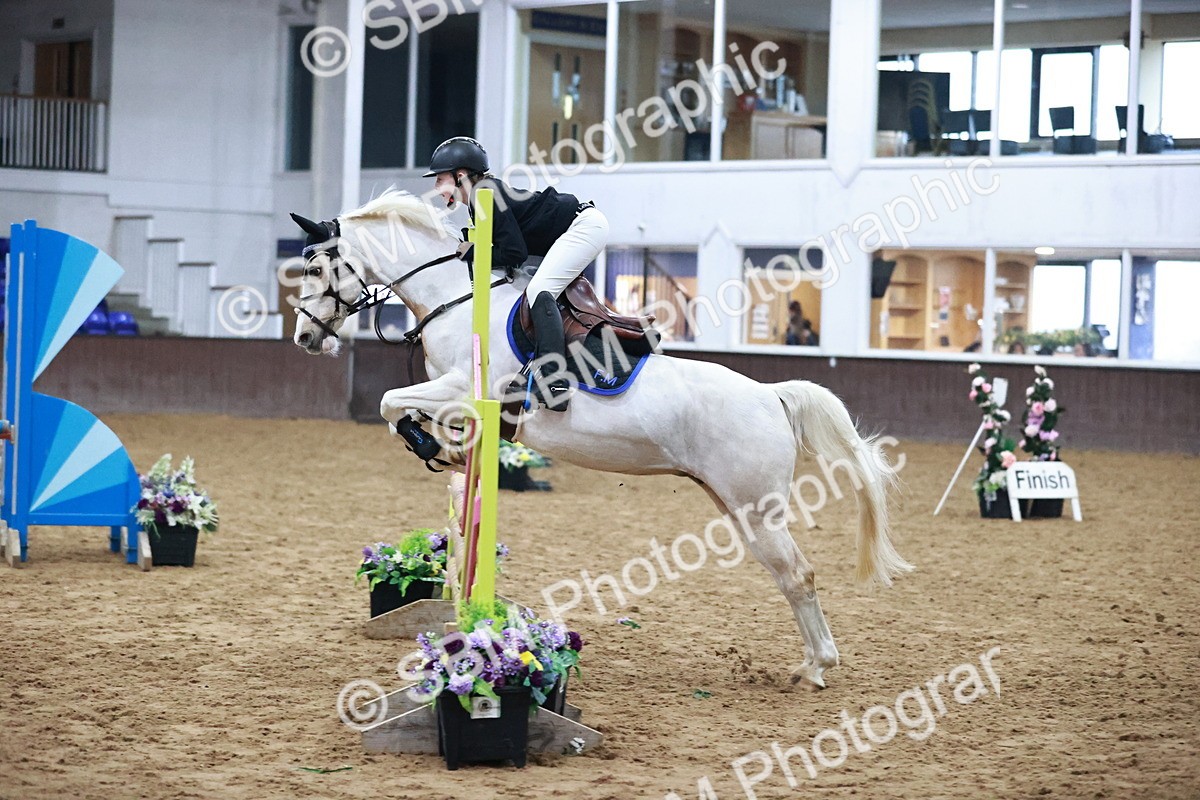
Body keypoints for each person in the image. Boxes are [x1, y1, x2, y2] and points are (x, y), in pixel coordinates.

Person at [426, 136, 608, 411]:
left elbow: (514, 253)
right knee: (525, 289)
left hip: (583, 227)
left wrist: (474, 252)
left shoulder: (486, 193)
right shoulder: (481, 198)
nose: (436, 188)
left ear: (460, 176)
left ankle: (555, 382)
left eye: (440, 179)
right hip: (566, 233)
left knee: (539, 291)